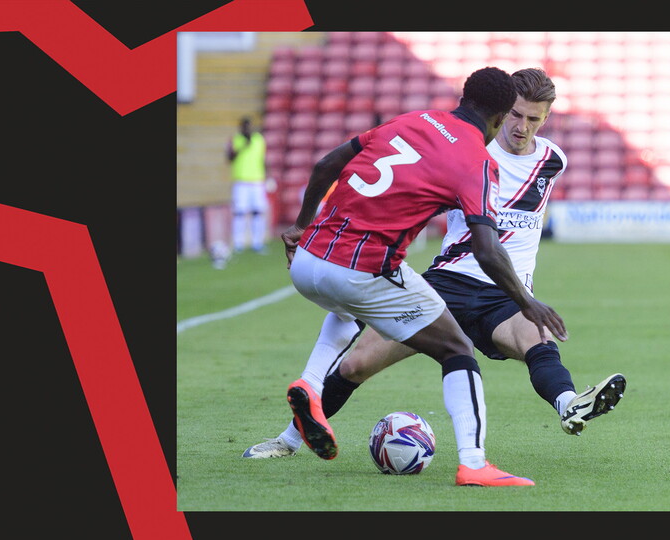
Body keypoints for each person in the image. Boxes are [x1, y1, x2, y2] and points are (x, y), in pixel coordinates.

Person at [244, 68, 625, 467]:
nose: (521, 126)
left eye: (533, 118)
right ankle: (288, 439)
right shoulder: (472, 151)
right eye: (515, 115)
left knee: (539, 344)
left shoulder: (552, 161)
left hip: (503, 295)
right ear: (500, 112)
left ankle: (570, 405)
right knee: (356, 364)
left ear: (546, 119)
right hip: (447, 283)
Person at [226, 116, 269, 253]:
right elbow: (230, 158)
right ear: (241, 128)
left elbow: (263, 159)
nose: (247, 129)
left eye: (249, 126)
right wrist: (242, 147)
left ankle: (258, 242)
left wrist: (268, 176)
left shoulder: (259, 140)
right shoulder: (235, 139)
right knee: (239, 212)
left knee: (258, 211)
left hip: (257, 181)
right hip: (241, 181)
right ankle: (238, 243)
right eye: (244, 127)